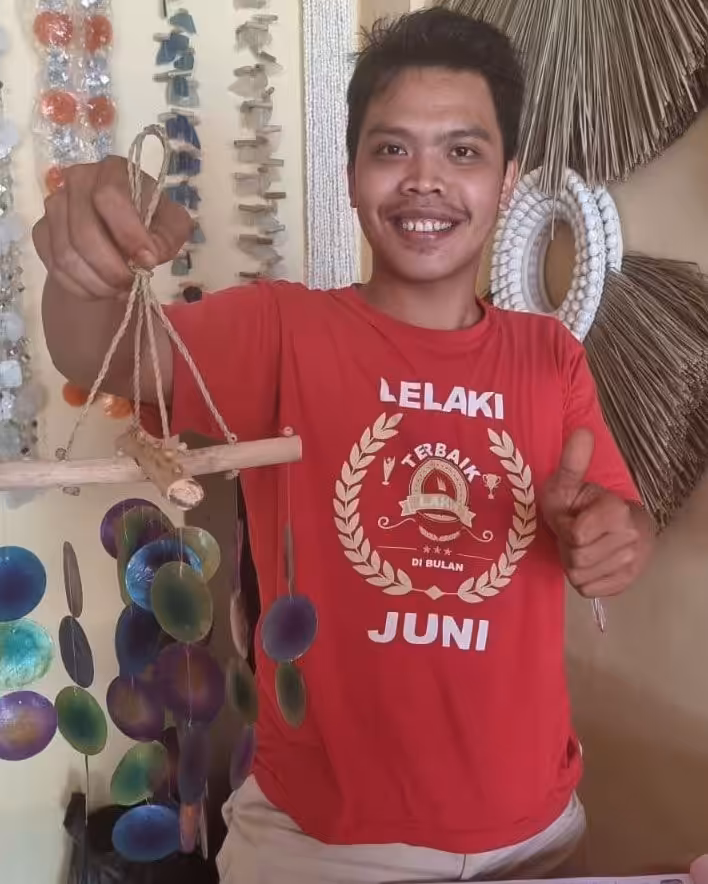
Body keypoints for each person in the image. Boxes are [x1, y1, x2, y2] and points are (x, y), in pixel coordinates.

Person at [36, 8, 654, 883]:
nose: (426, 180)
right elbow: (100, 348)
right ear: (353, 173)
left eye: (463, 151)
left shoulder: (550, 354)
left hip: (539, 836)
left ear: (508, 180)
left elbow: (623, 519)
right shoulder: (281, 330)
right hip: (323, 847)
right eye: (392, 149)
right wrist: (84, 267)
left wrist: (615, 536)